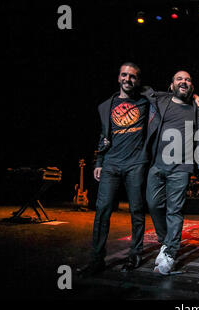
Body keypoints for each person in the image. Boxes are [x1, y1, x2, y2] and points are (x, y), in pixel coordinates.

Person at [79, 62, 150, 277]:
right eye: (124, 75)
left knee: (136, 210)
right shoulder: (105, 106)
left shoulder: (145, 102)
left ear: (138, 80)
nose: (128, 79)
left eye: (133, 76)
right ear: (118, 77)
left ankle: (135, 254)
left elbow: (168, 95)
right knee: (102, 211)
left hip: (135, 163)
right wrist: (99, 161)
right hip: (110, 164)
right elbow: (103, 136)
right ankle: (97, 259)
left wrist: (195, 97)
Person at [146, 70, 199, 275]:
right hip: (157, 164)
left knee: (174, 211)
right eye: (179, 79)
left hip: (181, 167)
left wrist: (197, 98)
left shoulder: (197, 108)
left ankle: (171, 252)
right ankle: (166, 242)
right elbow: (145, 90)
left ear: (192, 86)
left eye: (188, 79)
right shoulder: (163, 102)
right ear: (171, 85)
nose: (184, 81)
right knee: (154, 204)